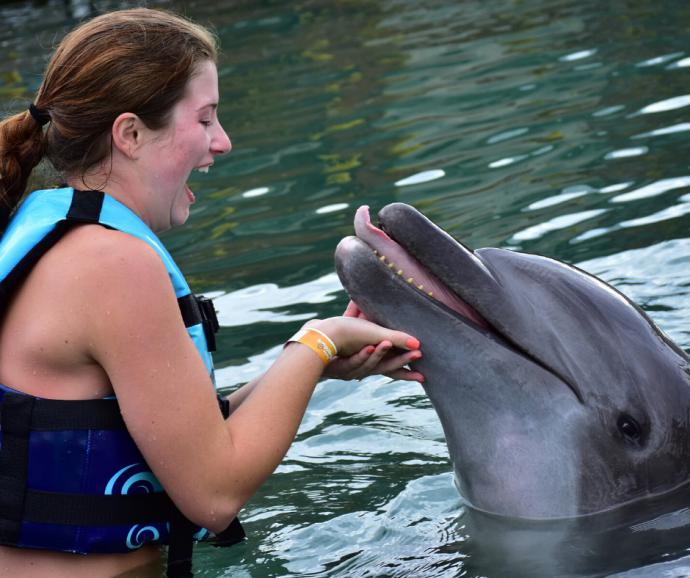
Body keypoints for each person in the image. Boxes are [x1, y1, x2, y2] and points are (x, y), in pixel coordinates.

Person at [0, 8, 423, 578]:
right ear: (129, 134)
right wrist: (318, 341)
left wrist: (313, 369)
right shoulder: (112, 262)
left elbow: (175, 435)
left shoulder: (45, 232)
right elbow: (214, 494)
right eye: (204, 120)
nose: (221, 142)